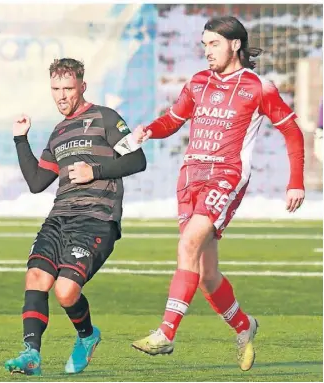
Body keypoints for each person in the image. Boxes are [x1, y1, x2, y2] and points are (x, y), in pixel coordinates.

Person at [129, 16, 305, 371]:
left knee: (188, 244)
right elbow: (174, 120)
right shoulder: (198, 82)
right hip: (190, 176)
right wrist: (149, 129)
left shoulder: (258, 87)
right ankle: (244, 326)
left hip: (226, 176)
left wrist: (295, 181)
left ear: (235, 44)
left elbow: (292, 132)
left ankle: (165, 333)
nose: (207, 51)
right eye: (204, 44)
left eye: (214, 44)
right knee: (206, 273)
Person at [4, 58, 147, 376]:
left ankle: (87, 336)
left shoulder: (106, 118)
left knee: (65, 291)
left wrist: (94, 170)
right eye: (55, 89)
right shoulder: (58, 132)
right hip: (59, 217)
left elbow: (137, 159)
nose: (61, 96)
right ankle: (31, 354)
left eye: (68, 88)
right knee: (36, 278)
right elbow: (37, 182)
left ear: (82, 86)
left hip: (97, 217)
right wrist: (20, 139)